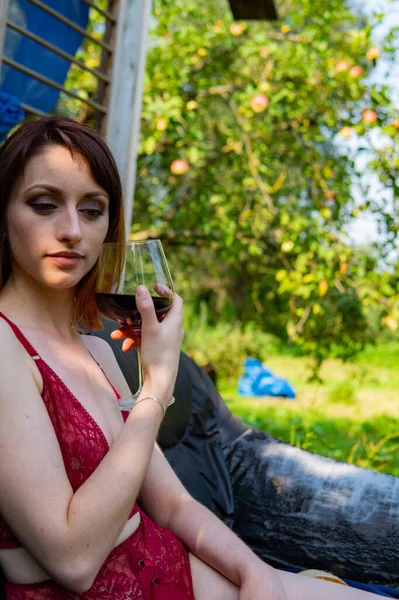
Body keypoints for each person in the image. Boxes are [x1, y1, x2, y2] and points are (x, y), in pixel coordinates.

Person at [0, 116, 383, 600]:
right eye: (44, 204)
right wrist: (155, 390)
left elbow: (174, 505)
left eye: (93, 210)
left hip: (178, 573)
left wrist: (254, 573)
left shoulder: (94, 348)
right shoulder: (6, 348)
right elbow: (72, 561)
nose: (72, 230)